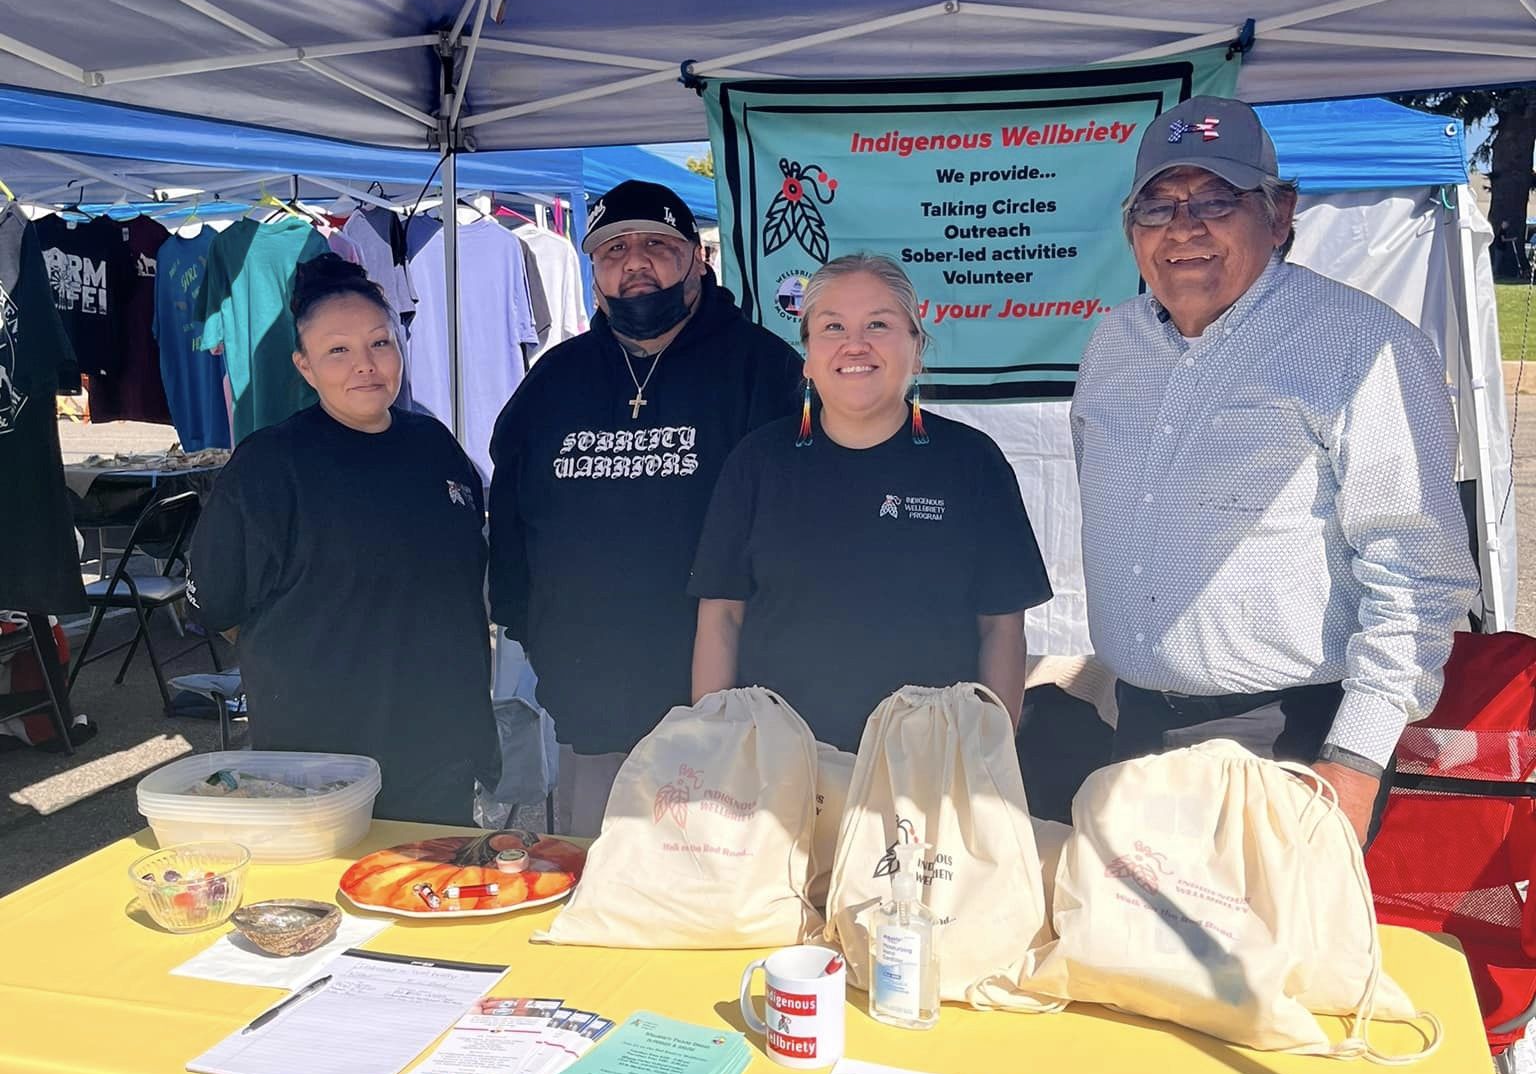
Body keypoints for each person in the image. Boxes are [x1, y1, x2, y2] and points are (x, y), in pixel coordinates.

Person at [1071, 95, 1480, 843]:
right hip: (1136, 724)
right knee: (1133, 956)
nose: (1184, 229)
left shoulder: (1362, 347)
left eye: (1216, 201)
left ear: (1280, 213)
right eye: (1157, 207)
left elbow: (1419, 573)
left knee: (1261, 960)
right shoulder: (1112, 346)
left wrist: (1354, 759)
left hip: (1287, 737)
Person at [488, 179, 803, 835]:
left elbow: (800, 523)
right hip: (592, 696)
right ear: (594, 272)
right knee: (603, 876)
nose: (635, 263)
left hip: (730, 707)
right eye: (613, 250)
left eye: (657, 245)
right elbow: (511, 513)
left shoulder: (763, 369)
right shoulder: (554, 379)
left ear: (697, 259)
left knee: (720, 889)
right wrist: (529, 627)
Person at [689, 253, 1051, 752]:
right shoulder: (756, 463)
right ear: (809, 356)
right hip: (781, 763)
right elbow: (722, 617)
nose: (854, 344)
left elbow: (1002, 630)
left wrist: (989, 755)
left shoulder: (972, 463)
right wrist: (714, 749)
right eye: (832, 326)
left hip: (928, 764)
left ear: (916, 348)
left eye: (878, 324)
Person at [189, 253, 497, 824]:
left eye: (380, 343)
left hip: (439, 739)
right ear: (304, 367)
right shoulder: (272, 465)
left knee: (430, 892)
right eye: (338, 350)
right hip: (324, 755)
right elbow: (219, 600)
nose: (366, 365)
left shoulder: (433, 444)